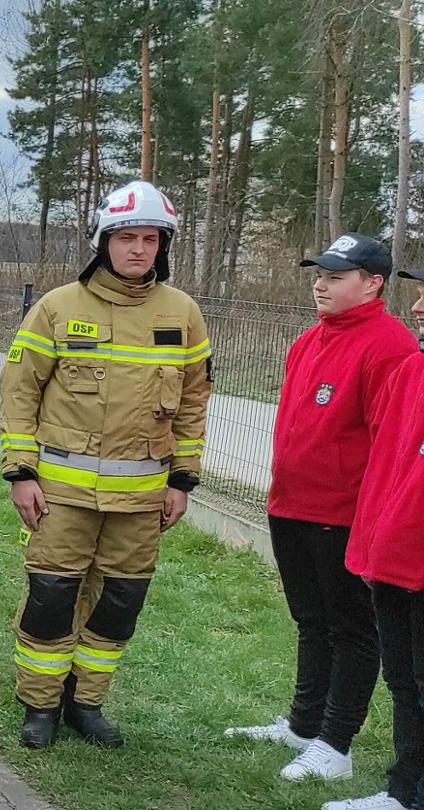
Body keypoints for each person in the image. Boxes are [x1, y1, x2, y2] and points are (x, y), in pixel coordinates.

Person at [0, 180, 212, 749]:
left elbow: (193, 402)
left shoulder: (183, 314)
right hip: (60, 495)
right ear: (103, 240)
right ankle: (39, 705)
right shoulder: (57, 307)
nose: (138, 249)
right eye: (125, 237)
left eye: (150, 239)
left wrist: (183, 481)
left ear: (163, 246)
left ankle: (86, 703)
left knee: (119, 602)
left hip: (142, 500)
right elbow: (19, 393)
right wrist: (21, 472)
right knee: (51, 597)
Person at [226, 234, 413, 781]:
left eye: (335, 275)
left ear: (372, 283)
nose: (320, 283)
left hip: (344, 514)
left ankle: (336, 744)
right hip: (291, 505)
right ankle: (304, 724)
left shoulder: (389, 346)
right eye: (319, 273)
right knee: (310, 621)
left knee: (351, 628)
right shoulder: (309, 340)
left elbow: (390, 440)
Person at [326, 267, 424, 810]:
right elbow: (388, 462)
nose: (416, 309)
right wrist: (374, 542)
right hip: (393, 558)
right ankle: (404, 791)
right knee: (405, 682)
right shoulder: (413, 371)